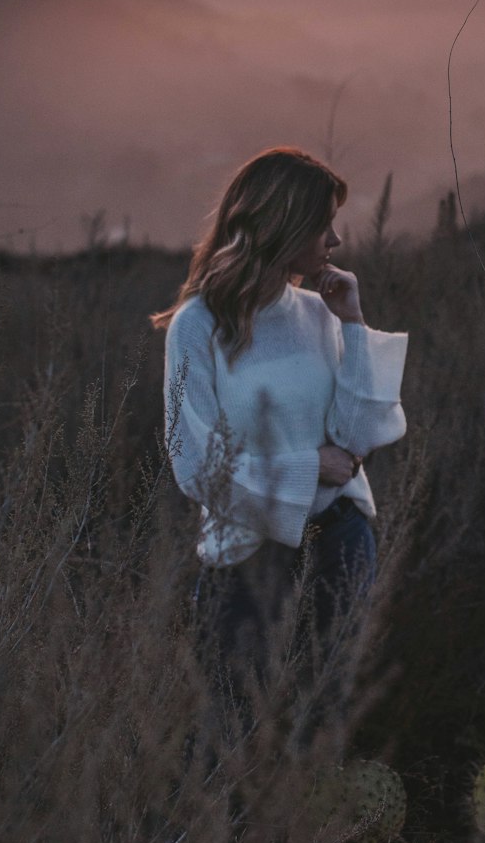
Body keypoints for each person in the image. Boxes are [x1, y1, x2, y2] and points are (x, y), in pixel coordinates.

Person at [150, 146, 409, 736]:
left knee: (320, 723)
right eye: (324, 226)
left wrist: (353, 322)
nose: (335, 242)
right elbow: (194, 465)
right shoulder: (198, 326)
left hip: (340, 543)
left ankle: (310, 832)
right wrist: (306, 465)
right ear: (283, 223)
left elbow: (364, 434)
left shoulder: (320, 314)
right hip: (245, 557)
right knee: (228, 729)